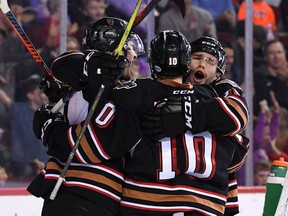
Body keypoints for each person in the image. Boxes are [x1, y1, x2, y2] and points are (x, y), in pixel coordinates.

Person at [142, 36, 249, 215]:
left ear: (217, 73)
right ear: (184, 60)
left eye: (210, 61)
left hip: (204, 198)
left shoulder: (222, 91)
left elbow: (238, 116)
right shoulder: (157, 89)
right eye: (197, 57)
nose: (202, 64)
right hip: (159, 193)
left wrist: (185, 115)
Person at [0, 74, 48, 178]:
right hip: (23, 164)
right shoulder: (18, 110)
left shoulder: (52, 112)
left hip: (46, 163)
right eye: (40, 92)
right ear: (30, 95)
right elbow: (4, 98)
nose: (43, 95)